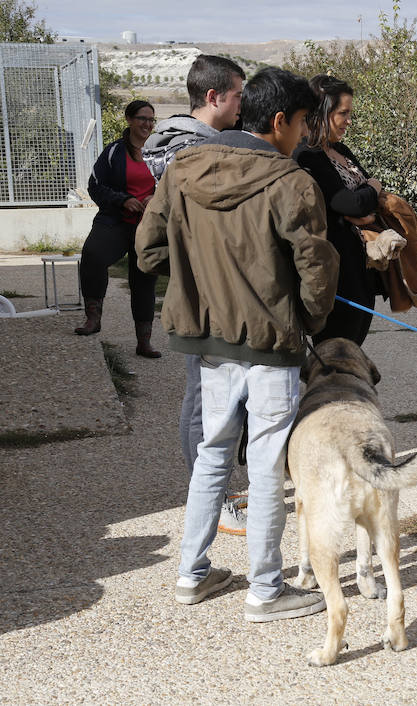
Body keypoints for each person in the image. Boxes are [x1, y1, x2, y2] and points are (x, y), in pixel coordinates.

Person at [136, 67, 339, 617]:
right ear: (278, 120)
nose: (303, 133)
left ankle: (190, 575)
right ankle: (266, 590)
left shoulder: (180, 170)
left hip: (204, 339)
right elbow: (316, 268)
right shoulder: (293, 181)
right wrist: (313, 321)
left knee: (212, 456)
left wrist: (199, 281)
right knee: (268, 463)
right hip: (271, 344)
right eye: (301, 122)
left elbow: (149, 251)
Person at [142, 55, 249, 535]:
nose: (243, 105)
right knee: (206, 401)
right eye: (238, 95)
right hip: (203, 297)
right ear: (214, 97)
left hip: (214, 292)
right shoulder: (190, 153)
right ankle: (212, 498)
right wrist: (194, 271)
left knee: (220, 399)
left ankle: (217, 489)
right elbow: (157, 240)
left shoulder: (194, 147)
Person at [293, 75, 384, 346]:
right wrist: (371, 190)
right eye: (343, 113)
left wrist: (369, 196)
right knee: (335, 354)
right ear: (321, 112)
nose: (348, 121)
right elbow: (351, 203)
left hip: (362, 270)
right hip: (337, 276)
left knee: (353, 347)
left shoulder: (339, 149)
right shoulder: (306, 155)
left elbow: (368, 200)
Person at [75, 100, 160, 358]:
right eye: (142, 118)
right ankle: (93, 318)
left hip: (148, 225)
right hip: (114, 221)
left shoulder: (159, 152)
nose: (147, 124)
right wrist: (122, 199)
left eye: (151, 120)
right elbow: (96, 185)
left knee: (144, 279)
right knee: (92, 255)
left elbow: (172, 184)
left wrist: (154, 197)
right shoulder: (113, 152)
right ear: (129, 120)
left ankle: (143, 342)